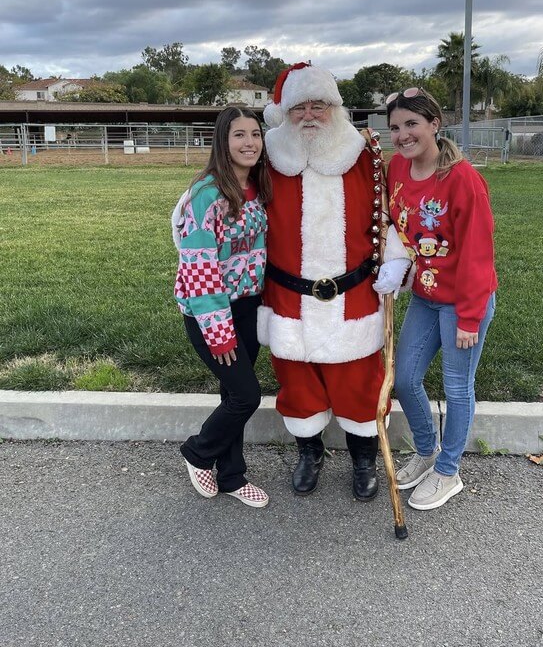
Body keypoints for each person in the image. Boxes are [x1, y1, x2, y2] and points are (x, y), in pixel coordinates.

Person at [259, 63, 413, 501]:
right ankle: (309, 452)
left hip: (354, 296)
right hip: (288, 296)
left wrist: (397, 262)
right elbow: (229, 191)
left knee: (359, 384)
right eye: (299, 107)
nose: (309, 115)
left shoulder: (365, 155)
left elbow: (390, 215)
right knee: (298, 382)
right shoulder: (267, 156)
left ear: (335, 107)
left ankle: (363, 458)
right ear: (284, 113)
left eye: (319, 106)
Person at [374, 87, 497, 510]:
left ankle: (449, 471)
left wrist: (469, 318)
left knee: (457, 386)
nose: (403, 134)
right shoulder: (397, 168)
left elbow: (478, 254)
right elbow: (393, 221)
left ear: (433, 125)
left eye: (412, 124)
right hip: (426, 297)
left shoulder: (462, 179)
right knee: (404, 379)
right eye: (395, 127)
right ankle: (426, 450)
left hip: (463, 301)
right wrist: (393, 263)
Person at [171, 106, 272, 508]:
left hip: (249, 306)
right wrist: (218, 332)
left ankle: (232, 475)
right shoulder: (207, 195)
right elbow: (199, 267)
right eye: (239, 135)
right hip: (212, 314)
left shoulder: (259, 188)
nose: (249, 143)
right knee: (246, 396)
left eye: (255, 135)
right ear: (223, 142)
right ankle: (198, 453)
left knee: (231, 393)